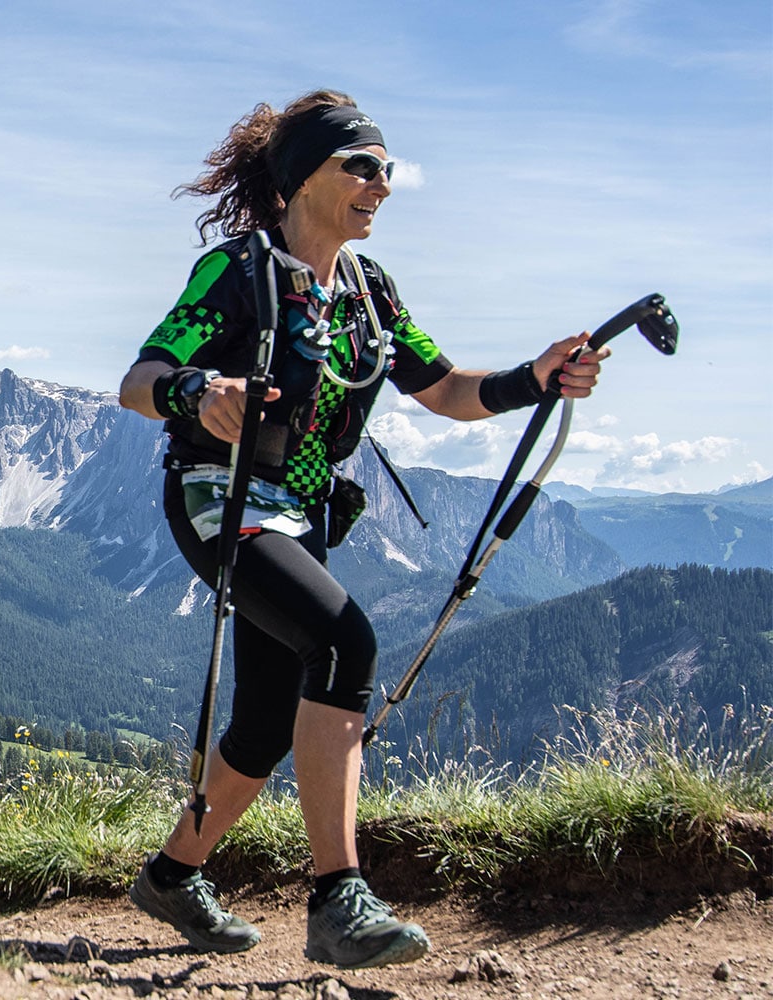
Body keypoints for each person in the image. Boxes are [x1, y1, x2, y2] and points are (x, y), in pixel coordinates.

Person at [118, 91, 609, 969]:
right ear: (305, 175)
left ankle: (170, 876)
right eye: (365, 167)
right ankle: (337, 898)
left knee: (268, 717)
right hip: (219, 501)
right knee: (345, 643)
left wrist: (535, 377)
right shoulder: (239, 272)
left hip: (301, 516)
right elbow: (141, 375)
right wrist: (199, 392)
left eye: (390, 171)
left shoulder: (369, 293)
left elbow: (447, 390)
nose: (384, 185)